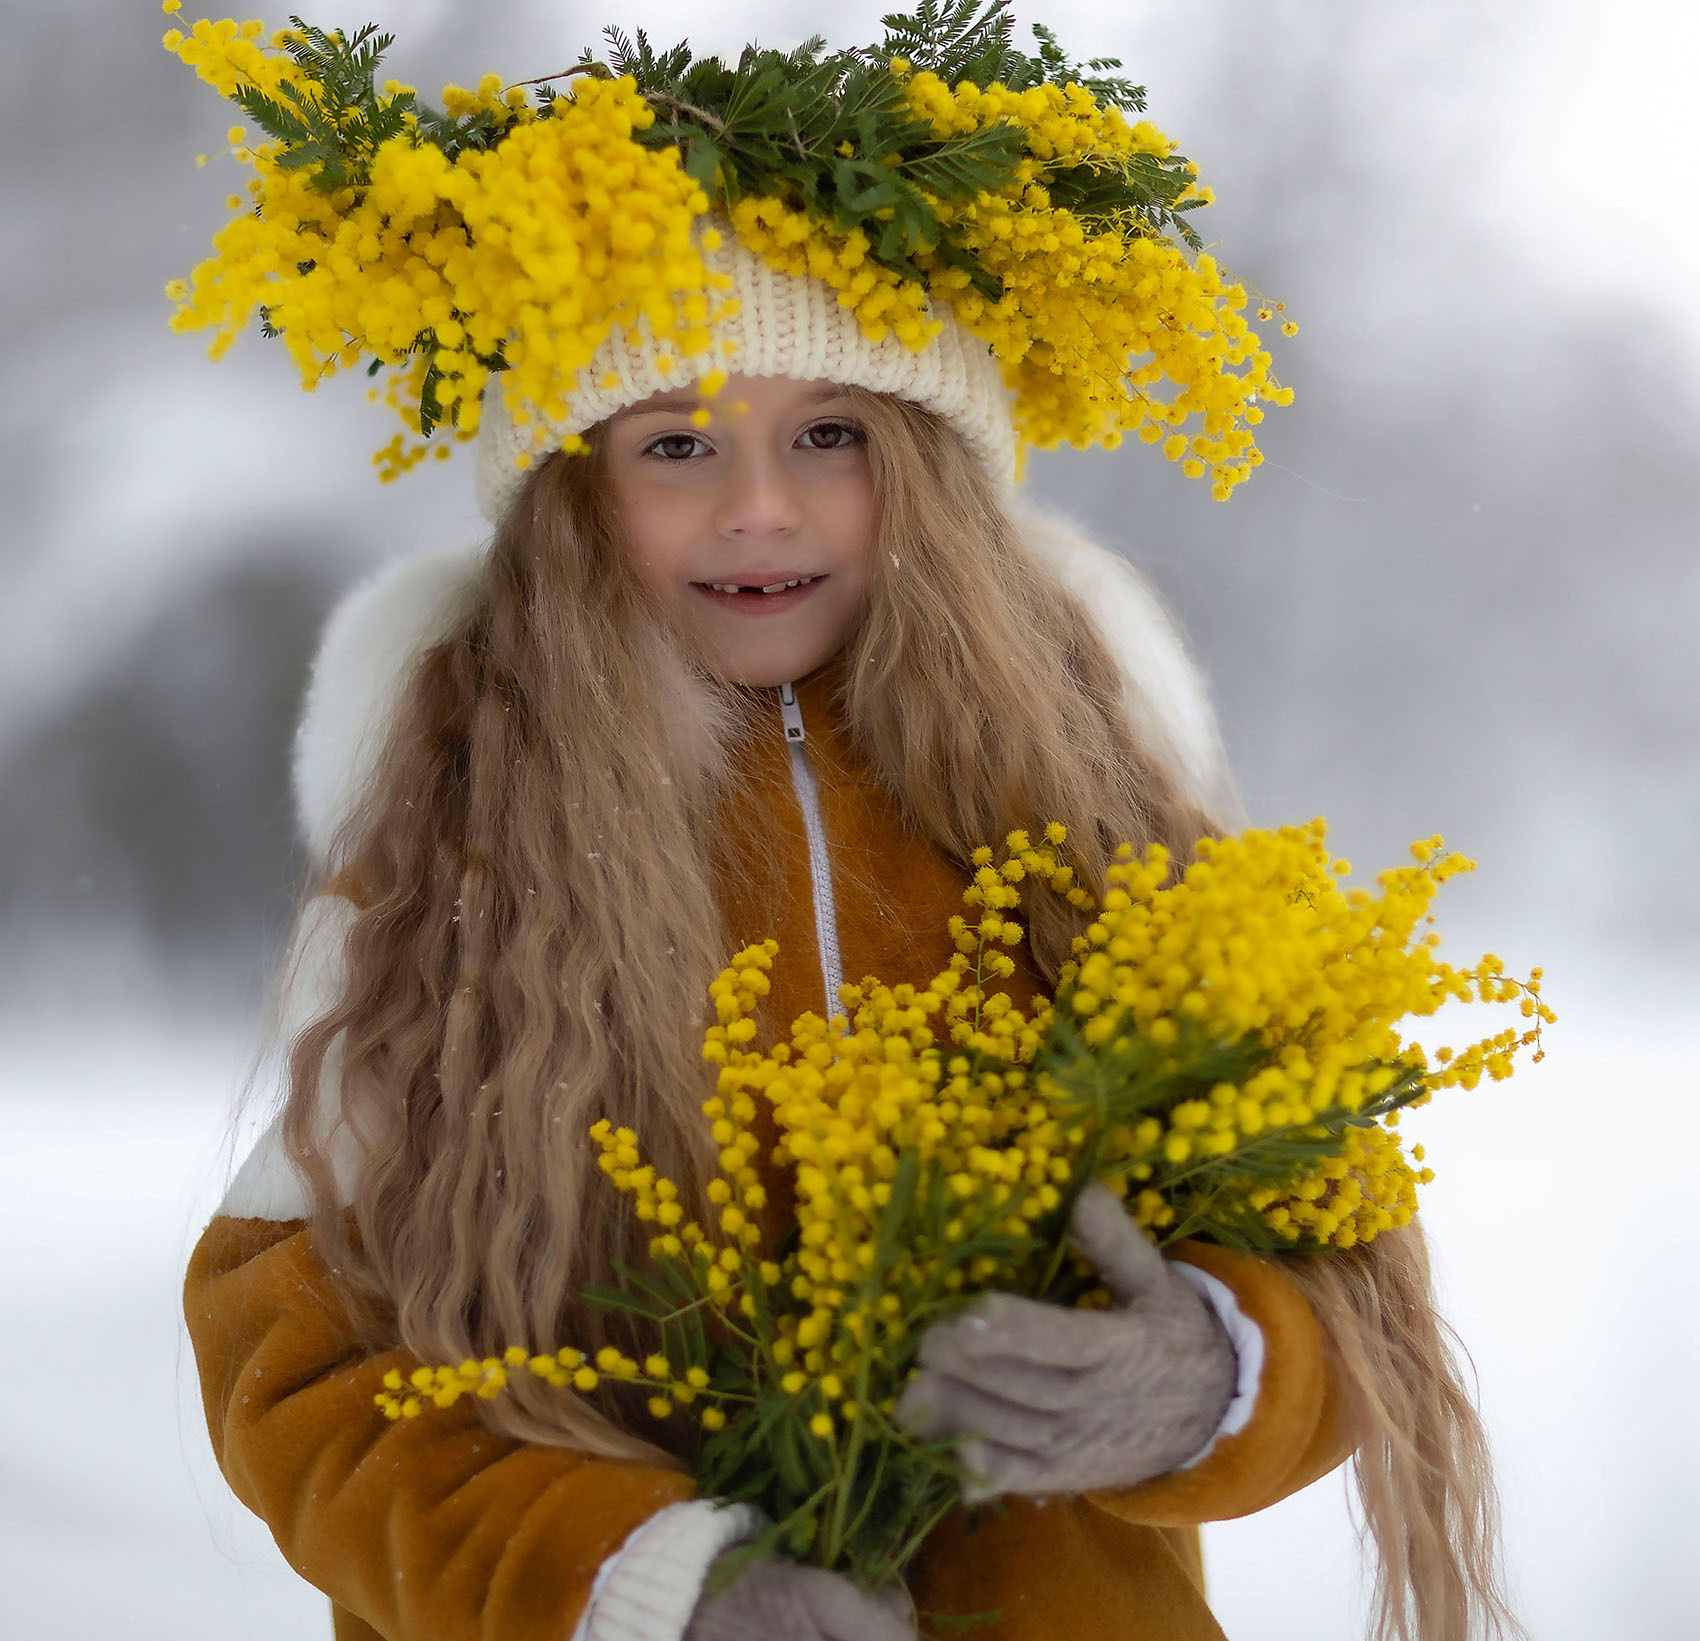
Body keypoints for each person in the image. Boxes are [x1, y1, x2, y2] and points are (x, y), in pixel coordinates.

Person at [178, 27, 1519, 1641]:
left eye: (832, 434)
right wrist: (646, 1586)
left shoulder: (1100, 799)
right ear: (572, 495)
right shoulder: (451, 837)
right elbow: (296, 1366)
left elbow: (1328, 1231)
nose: (761, 506)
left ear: (930, 472)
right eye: (677, 442)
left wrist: (1210, 1371)